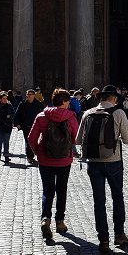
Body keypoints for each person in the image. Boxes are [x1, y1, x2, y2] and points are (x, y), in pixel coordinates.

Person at [77, 85, 128, 254]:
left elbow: (78, 140)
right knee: (117, 197)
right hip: (113, 161)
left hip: (93, 162)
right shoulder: (118, 113)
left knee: (99, 202)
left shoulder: (88, 113)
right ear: (114, 98)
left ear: (100, 98)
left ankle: (103, 240)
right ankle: (119, 235)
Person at [28, 88, 79, 239]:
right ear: (63, 101)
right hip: (64, 159)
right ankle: (60, 221)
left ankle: (45, 219)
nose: (69, 103)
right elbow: (76, 138)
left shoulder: (42, 115)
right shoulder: (70, 117)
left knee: (47, 190)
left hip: (45, 159)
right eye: (68, 101)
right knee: (61, 190)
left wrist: (39, 152)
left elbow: (31, 138)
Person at [15, 89, 44, 166]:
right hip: (26, 126)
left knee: (34, 140)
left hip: (36, 126)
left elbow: (43, 115)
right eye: (27, 94)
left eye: (30, 94)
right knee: (28, 141)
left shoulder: (39, 104)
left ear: (34, 95)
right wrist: (17, 123)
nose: (28, 96)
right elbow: (17, 114)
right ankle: (30, 157)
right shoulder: (22, 104)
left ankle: (35, 154)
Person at [0, 91, 16, 164]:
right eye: (3, 98)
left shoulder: (9, 105)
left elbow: (13, 113)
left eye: (6, 98)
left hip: (7, 125)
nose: (5, 100)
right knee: (0, 139)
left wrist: (10, 116)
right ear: (0, 99)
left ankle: (6, 155)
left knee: (6, 140)